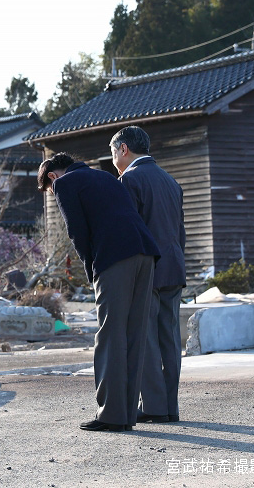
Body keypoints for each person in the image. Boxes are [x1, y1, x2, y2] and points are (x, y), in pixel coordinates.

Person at [37, 152, 160, 432]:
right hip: (146, 253)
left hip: (115, 257)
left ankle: (111, 415)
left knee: (109, 334)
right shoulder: (105, 176)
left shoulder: (65, 184)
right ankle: (127, 413)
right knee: (134, 334)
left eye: (49, 188)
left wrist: (92, 270)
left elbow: (77, 233)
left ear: (53, 177)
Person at [110, 126, 186, 423]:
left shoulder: (129, 180)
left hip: (147, 270)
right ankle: (170, 407)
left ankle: (154, 406)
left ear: (124, 149)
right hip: (174, 267)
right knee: (170, 339)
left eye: (113, 152)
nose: (113, 158)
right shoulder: (171, 181)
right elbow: (180, 232)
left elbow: (129, 232)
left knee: (146, 340)